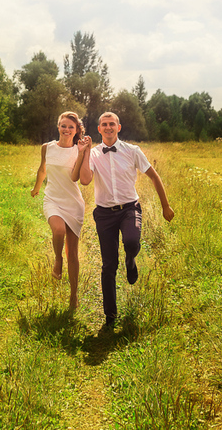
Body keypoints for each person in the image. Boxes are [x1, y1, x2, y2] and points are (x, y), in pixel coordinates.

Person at [72, 111, 174, 329]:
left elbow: (154, 176)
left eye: (112, 124)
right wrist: (85, 153)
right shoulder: (95, 154)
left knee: (131, 243)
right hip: (104, 214)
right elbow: (86, 180)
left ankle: (131, 259)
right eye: (104, 124)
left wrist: (165, 205)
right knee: (108, 265)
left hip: (130, 209)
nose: (108, 127)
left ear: (119, 127)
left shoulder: (132, 151)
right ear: (99, 129)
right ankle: (110, 317)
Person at [31, 111, 86, 309]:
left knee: (73, 254)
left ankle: (74, 296)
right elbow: (42, 169)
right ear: (58, 126)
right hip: (52, 199)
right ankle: (57, 259)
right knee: (59, 230)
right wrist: (36, 187)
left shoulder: (78, 150)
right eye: (63, 125)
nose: (66, 129)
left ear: (76, 130)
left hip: (73, 202)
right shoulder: (47, 147)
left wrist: (81, 153)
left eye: (71, 127)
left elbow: (75, 177)